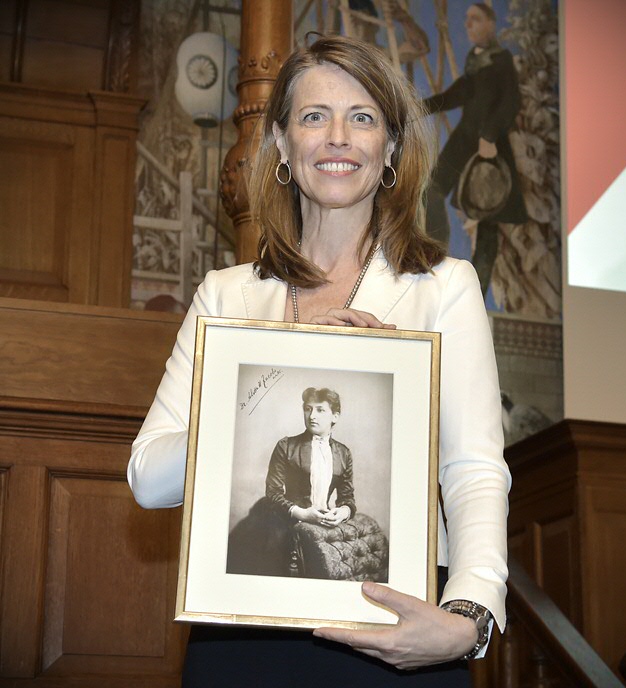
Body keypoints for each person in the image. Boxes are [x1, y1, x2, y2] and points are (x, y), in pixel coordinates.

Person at [128, 34, 509, 687]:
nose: (338, 136)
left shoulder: (444, 286)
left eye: (362, 118)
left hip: (399, 629)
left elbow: (472, 469)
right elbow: (148, 480)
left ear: (390, 148)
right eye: (313, 117)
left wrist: (469, 615)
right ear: (281, 143)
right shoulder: (227, 295)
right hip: (243, 631)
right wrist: (269, 378)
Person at [424, 3, 528, 295]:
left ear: (490, 25)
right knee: (431, 190)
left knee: (489, 219)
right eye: (467, 20)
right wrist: (418, 108)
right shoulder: (476, 60)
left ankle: (477, 296)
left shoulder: (501, 60)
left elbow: (510, 102)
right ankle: (436, 263)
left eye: (475, 20)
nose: (468, 25)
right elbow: (457, 94)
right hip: (465, 140)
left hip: (489, 146)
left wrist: (490, 136)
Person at [227, 387, 356, 578]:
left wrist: (343, 512)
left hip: (319, 520)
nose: (312, 415)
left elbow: (347, 498)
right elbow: (273, 493)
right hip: (280, 518)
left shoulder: (343, 454)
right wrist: (302, 513)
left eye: (320, 410)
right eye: (308, 408)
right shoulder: (286, 446)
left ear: (335, 416)